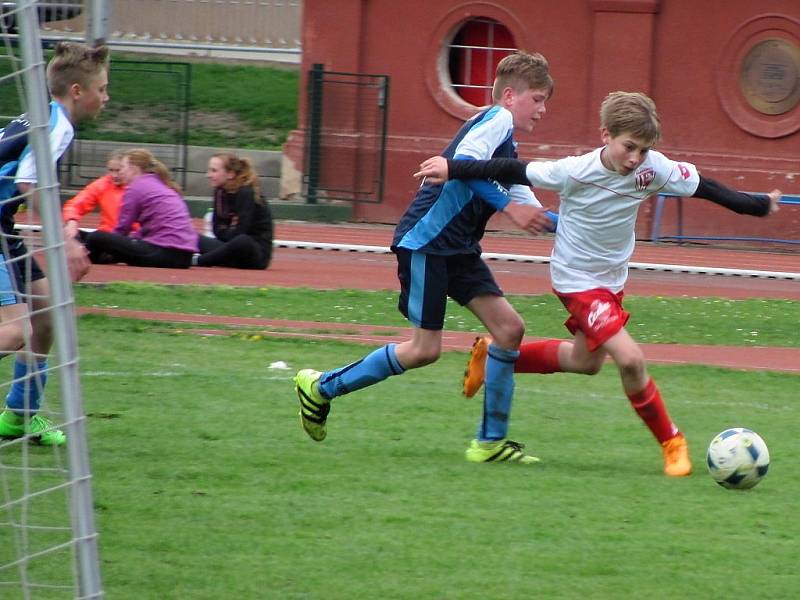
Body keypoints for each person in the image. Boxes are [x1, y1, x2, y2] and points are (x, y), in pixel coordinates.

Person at [413, 90, 781, 477]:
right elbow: (511, 169)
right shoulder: (574, 171)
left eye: (643, 149)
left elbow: (706, 187)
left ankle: (496, 358)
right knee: (631, 358)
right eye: (629, 147)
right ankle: (673, 442)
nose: (635, 158)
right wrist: (452, 167)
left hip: (611, 281)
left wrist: (756, 205)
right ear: (605, 134)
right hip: (576, 280)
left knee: (585, 362)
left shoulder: (653, 169)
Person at [294, 52, 558, 464]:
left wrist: (590, 226)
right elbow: (465, 165)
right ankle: (320, 387)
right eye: (538, 99)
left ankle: (489, 443)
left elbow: (534, 212)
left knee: (509, 329)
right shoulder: (496, 120)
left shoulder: (508, 147)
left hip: (459, 250)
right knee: (424, 349)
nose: (542, 110)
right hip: (427, 243)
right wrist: (509, 208)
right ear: (509, 96)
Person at [0, 41, 107, 445]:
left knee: (47, 316)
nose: (106, 97)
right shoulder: (58, 124)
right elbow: (31, 182)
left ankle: (19, 415)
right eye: (102, 88)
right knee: (15, 333)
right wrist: (64, 239)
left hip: (3, 225)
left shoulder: (44, 117)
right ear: (77, 91)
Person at [85, 148, 198, 268]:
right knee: (124, 243)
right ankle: (105, 258)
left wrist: (108, 245)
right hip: (184, 257)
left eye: (123, 167)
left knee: (96, 237)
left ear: (134, 168)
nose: (120, 172)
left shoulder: (135, 187)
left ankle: (87, 263)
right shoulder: (159, 183)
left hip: (164, 254)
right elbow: (148, 228)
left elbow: (122, 229)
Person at [194, 152, 273, 269]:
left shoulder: (245, 193)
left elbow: (241, 231)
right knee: (192, 237)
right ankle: (220, 257)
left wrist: (226, 231)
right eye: (209, 170)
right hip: (228, 247)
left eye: (214, 171)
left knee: (243, 240)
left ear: (230, 174)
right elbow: (216, 228)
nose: (208, 175)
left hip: (253, 252)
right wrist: (227, 233)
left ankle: (199, 260)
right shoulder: (219, 192)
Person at [62, 149, 127, 242]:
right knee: (63, 234)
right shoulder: (103, 184)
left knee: (97, 238)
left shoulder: (140, 187)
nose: (114, 175)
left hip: (133, 238)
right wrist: (72, 221)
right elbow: (75, 205)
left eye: (118, 171)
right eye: (111, 170)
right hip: (106, 237)